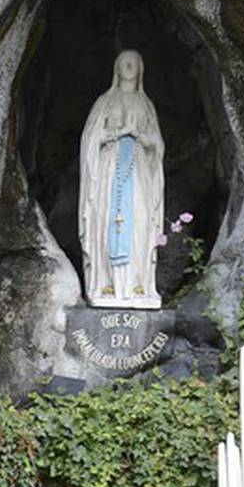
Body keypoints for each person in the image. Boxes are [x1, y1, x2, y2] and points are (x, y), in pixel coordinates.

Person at [77, 48, 165, 309]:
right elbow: (90, 138)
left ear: (141, 70)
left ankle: (138, 285)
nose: (129, 66)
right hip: (109, 172)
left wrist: (139, 135)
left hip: (138, 171)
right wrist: (116, 133)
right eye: (124, 62)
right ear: (116, 68)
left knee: (139, 222)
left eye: (134, 62)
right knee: (106, 220)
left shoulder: (146, 104)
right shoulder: (105, 101)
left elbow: (158, 144)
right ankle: (107, 284)